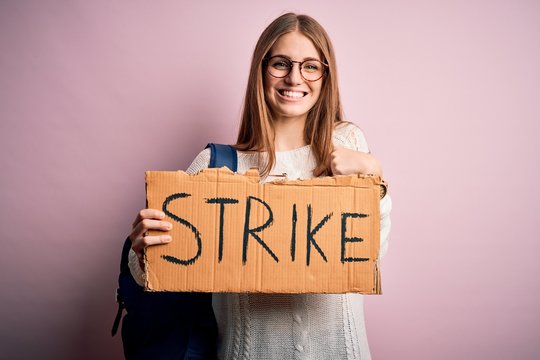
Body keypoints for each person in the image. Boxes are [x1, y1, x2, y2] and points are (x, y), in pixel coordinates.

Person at [127, 12, 391, 360]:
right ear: (261, 70)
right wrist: (142, 246)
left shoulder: (348, 145)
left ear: (325, 76)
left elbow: (371, 253)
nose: (294, 77)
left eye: (310, 66)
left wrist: (375, 175)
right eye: (280, 64)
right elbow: (149, 268)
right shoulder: (217, 167)